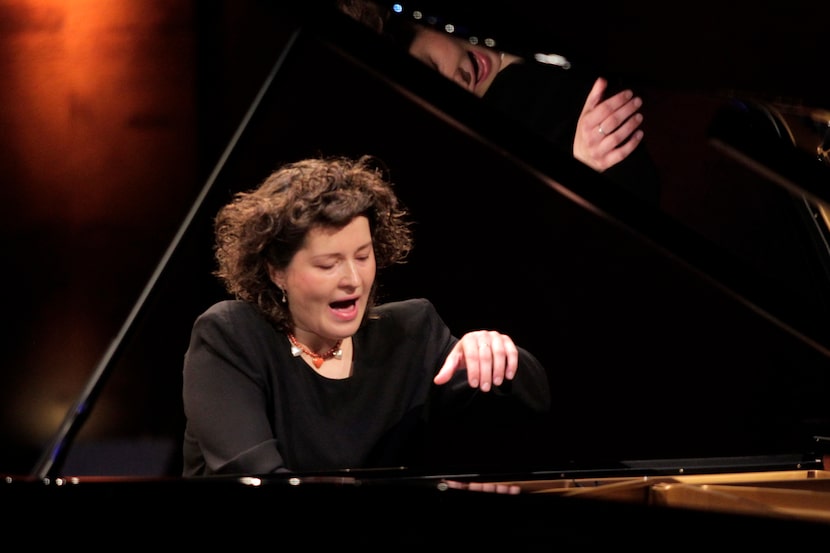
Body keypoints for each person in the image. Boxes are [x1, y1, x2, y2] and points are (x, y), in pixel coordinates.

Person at [181, 155, 552, 476]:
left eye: (363, 256)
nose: (354, 280)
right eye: (328, 264)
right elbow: (254, 481)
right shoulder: (231, 336)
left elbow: (529, 403)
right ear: (276, 271)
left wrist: (499, 356)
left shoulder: (409, 332)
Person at [335, 0, 661, 203]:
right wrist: (579, 167)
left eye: (434, 66)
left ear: (418, 24)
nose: (459, 83)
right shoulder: (514, 130)